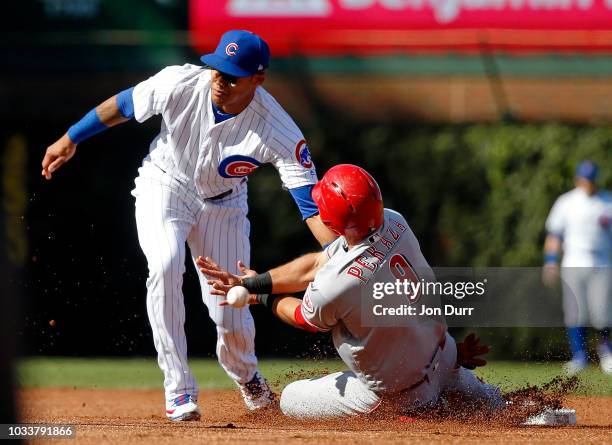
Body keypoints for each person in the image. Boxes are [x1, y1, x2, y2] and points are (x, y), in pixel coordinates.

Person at [41, 30, 335, 421]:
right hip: (164, 185)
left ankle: (246, 375)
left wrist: (343, 253)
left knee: (229, 309)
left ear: (258, 79)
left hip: (225, 206)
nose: (219, 80)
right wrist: (70, 137)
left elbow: (309, 207)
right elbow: (125, 103)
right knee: (163, 265)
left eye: (231, 76)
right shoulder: (181, 82)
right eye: (216, 69)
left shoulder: (278, 130)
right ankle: (178, 389)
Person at [198, 164, 504, 419]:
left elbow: (306, 318)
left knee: (291, 398)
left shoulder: (339, 281)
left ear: (331, 222)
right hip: (448, 358)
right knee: (504, 408)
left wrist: (260, 298)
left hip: (403, 394)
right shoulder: (395, 221)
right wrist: (254, 281)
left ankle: (421, 412)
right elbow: (317, 264)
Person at [543, 160, 612, 375]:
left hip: (601, 262)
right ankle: (579, 356)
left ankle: (606, 353)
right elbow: (554, 235)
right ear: (577, 179)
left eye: (590, 179)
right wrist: (550, 261)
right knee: (575, 312)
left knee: (603, 312)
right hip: (573, 261)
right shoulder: (566, 202)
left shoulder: (607, 202)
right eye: (584, 179)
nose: (587, 183)